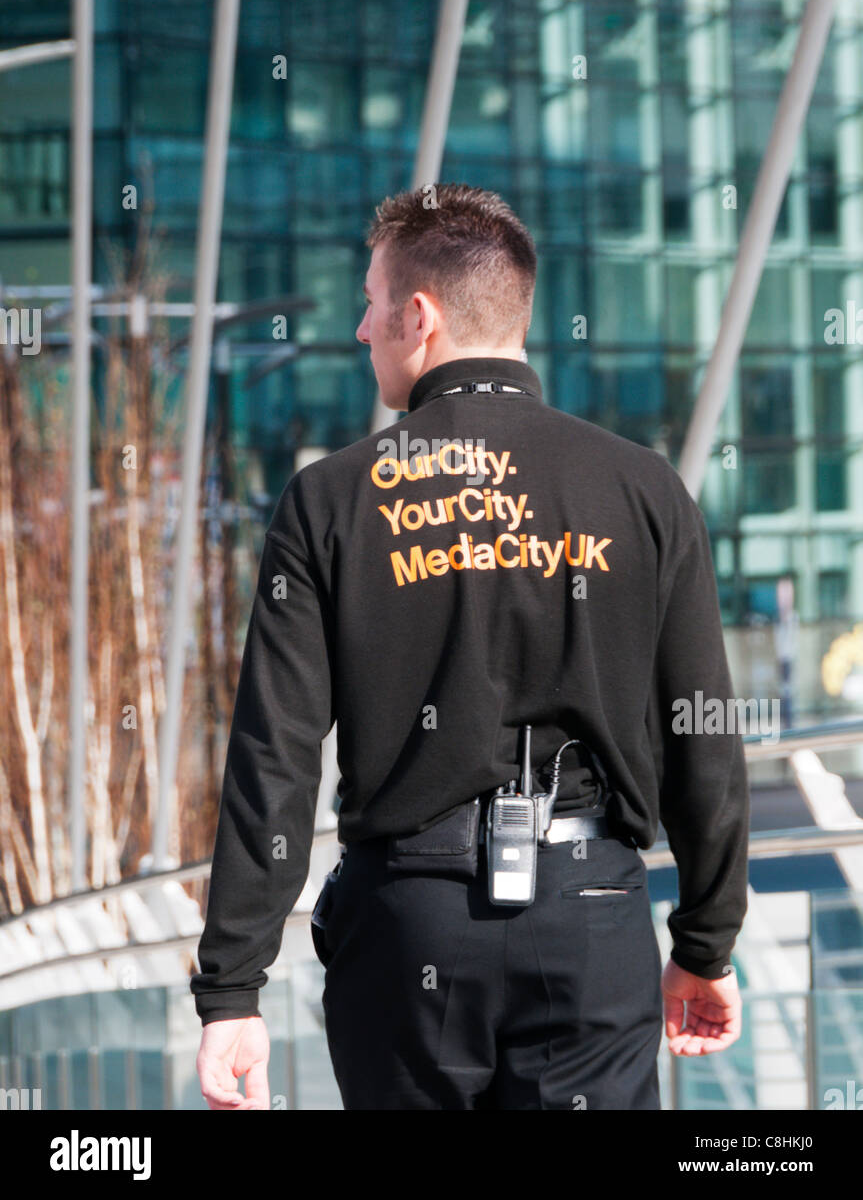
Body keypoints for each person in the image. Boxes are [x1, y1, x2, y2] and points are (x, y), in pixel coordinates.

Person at [191, 183, 749, 1111]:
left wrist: (233, 986)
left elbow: (273, 753)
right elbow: (703, 728)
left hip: (409, 928)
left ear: (420, 315)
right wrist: (706, 942)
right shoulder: (642, 489)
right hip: (592, 918)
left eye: (370, 305)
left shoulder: (332, 499)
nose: (362, 331)